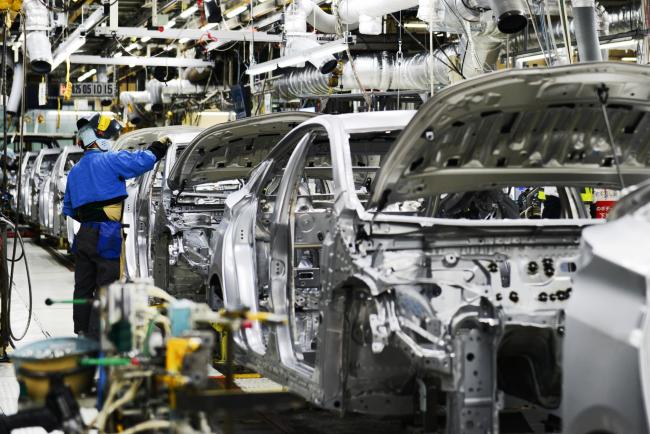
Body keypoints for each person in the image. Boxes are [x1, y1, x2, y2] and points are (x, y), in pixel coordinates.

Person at [63, 113, 170, 336]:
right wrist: (159, 147)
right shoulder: (110, 160)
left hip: (84, 234)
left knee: (83, 287)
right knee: (107, 288)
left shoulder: (75, 171)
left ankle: (82, 331)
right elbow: (143, 161)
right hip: (107, 233)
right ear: (101, 137)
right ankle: (98, 335)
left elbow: (70, 209)